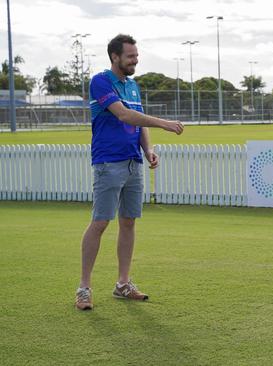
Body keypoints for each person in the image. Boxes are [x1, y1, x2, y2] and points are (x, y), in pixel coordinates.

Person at [75, 34, 184, 310]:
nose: (136, 60)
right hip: (108, 162)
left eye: (136, 55)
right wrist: (165, 123)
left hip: (133, 163)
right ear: (115, 57)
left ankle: (123, 284)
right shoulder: (101, 81)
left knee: (129, 222)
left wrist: (148, 150)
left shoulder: (133, 86)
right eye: (131, 56)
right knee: (100, 222)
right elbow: (124, 115)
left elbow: (139, 123)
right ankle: (84, 288)